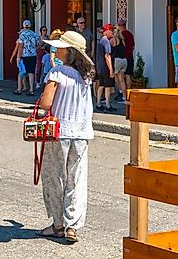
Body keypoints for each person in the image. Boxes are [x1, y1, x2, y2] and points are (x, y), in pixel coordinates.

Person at [36, 30, 95, 245]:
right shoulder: (87, 74)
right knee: (76, 177)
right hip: (81, 131)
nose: (55, 49)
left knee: (55, 177)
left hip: (59, 131)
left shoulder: (57, 73)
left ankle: (58, 224)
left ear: (67, 51)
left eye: (59, 47)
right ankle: (73, 225)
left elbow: (46, 103)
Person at [11, 20, 39, 95]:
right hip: (33, 55)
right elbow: (37, 45)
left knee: (21, 72)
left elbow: (20, 47)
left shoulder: (22, 35)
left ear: (23, 26)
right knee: (31, 72)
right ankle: (31, 90)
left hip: (24, 56)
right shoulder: (34, 34)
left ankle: (19, 88)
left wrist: (18, 57)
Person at [96, 24, 115, 111]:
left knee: (101, 85)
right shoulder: (106, 42)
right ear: (107, 32)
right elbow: (107, 56)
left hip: (100, 67)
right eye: (111, 30)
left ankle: (98, 103)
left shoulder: (100, 41)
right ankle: (107, 105)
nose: (113, 32)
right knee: (108, 86)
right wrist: (111, 70)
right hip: (105, 67)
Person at [115, 19, 135, 99]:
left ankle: (122, 93)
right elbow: (133, 46)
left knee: (120, 77)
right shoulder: (130, 34)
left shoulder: (120, 35)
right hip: (130, 57)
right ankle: (129, 94)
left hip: (122, 57)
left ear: (119, 26)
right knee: (128, 76)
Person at [110, 24, 129, 102]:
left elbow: (111, 49)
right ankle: (124, 96)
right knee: (122, 79)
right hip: (124, 60)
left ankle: (122, 94)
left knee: (117, 79)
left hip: (117, 60)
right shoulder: (122, 39)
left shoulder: (114, 39)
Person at [34, 25, 50, 90]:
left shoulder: (48, 38)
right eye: (43, 30)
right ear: (41, 31)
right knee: (39, 68)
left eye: (46, 30)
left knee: (47, 67)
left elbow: (48, 46)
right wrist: (42, 43)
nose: (45, 31)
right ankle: (37, 82)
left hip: (46, 53)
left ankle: (45, 81)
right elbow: (37, 47)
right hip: (40, 53)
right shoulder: (38, 38)